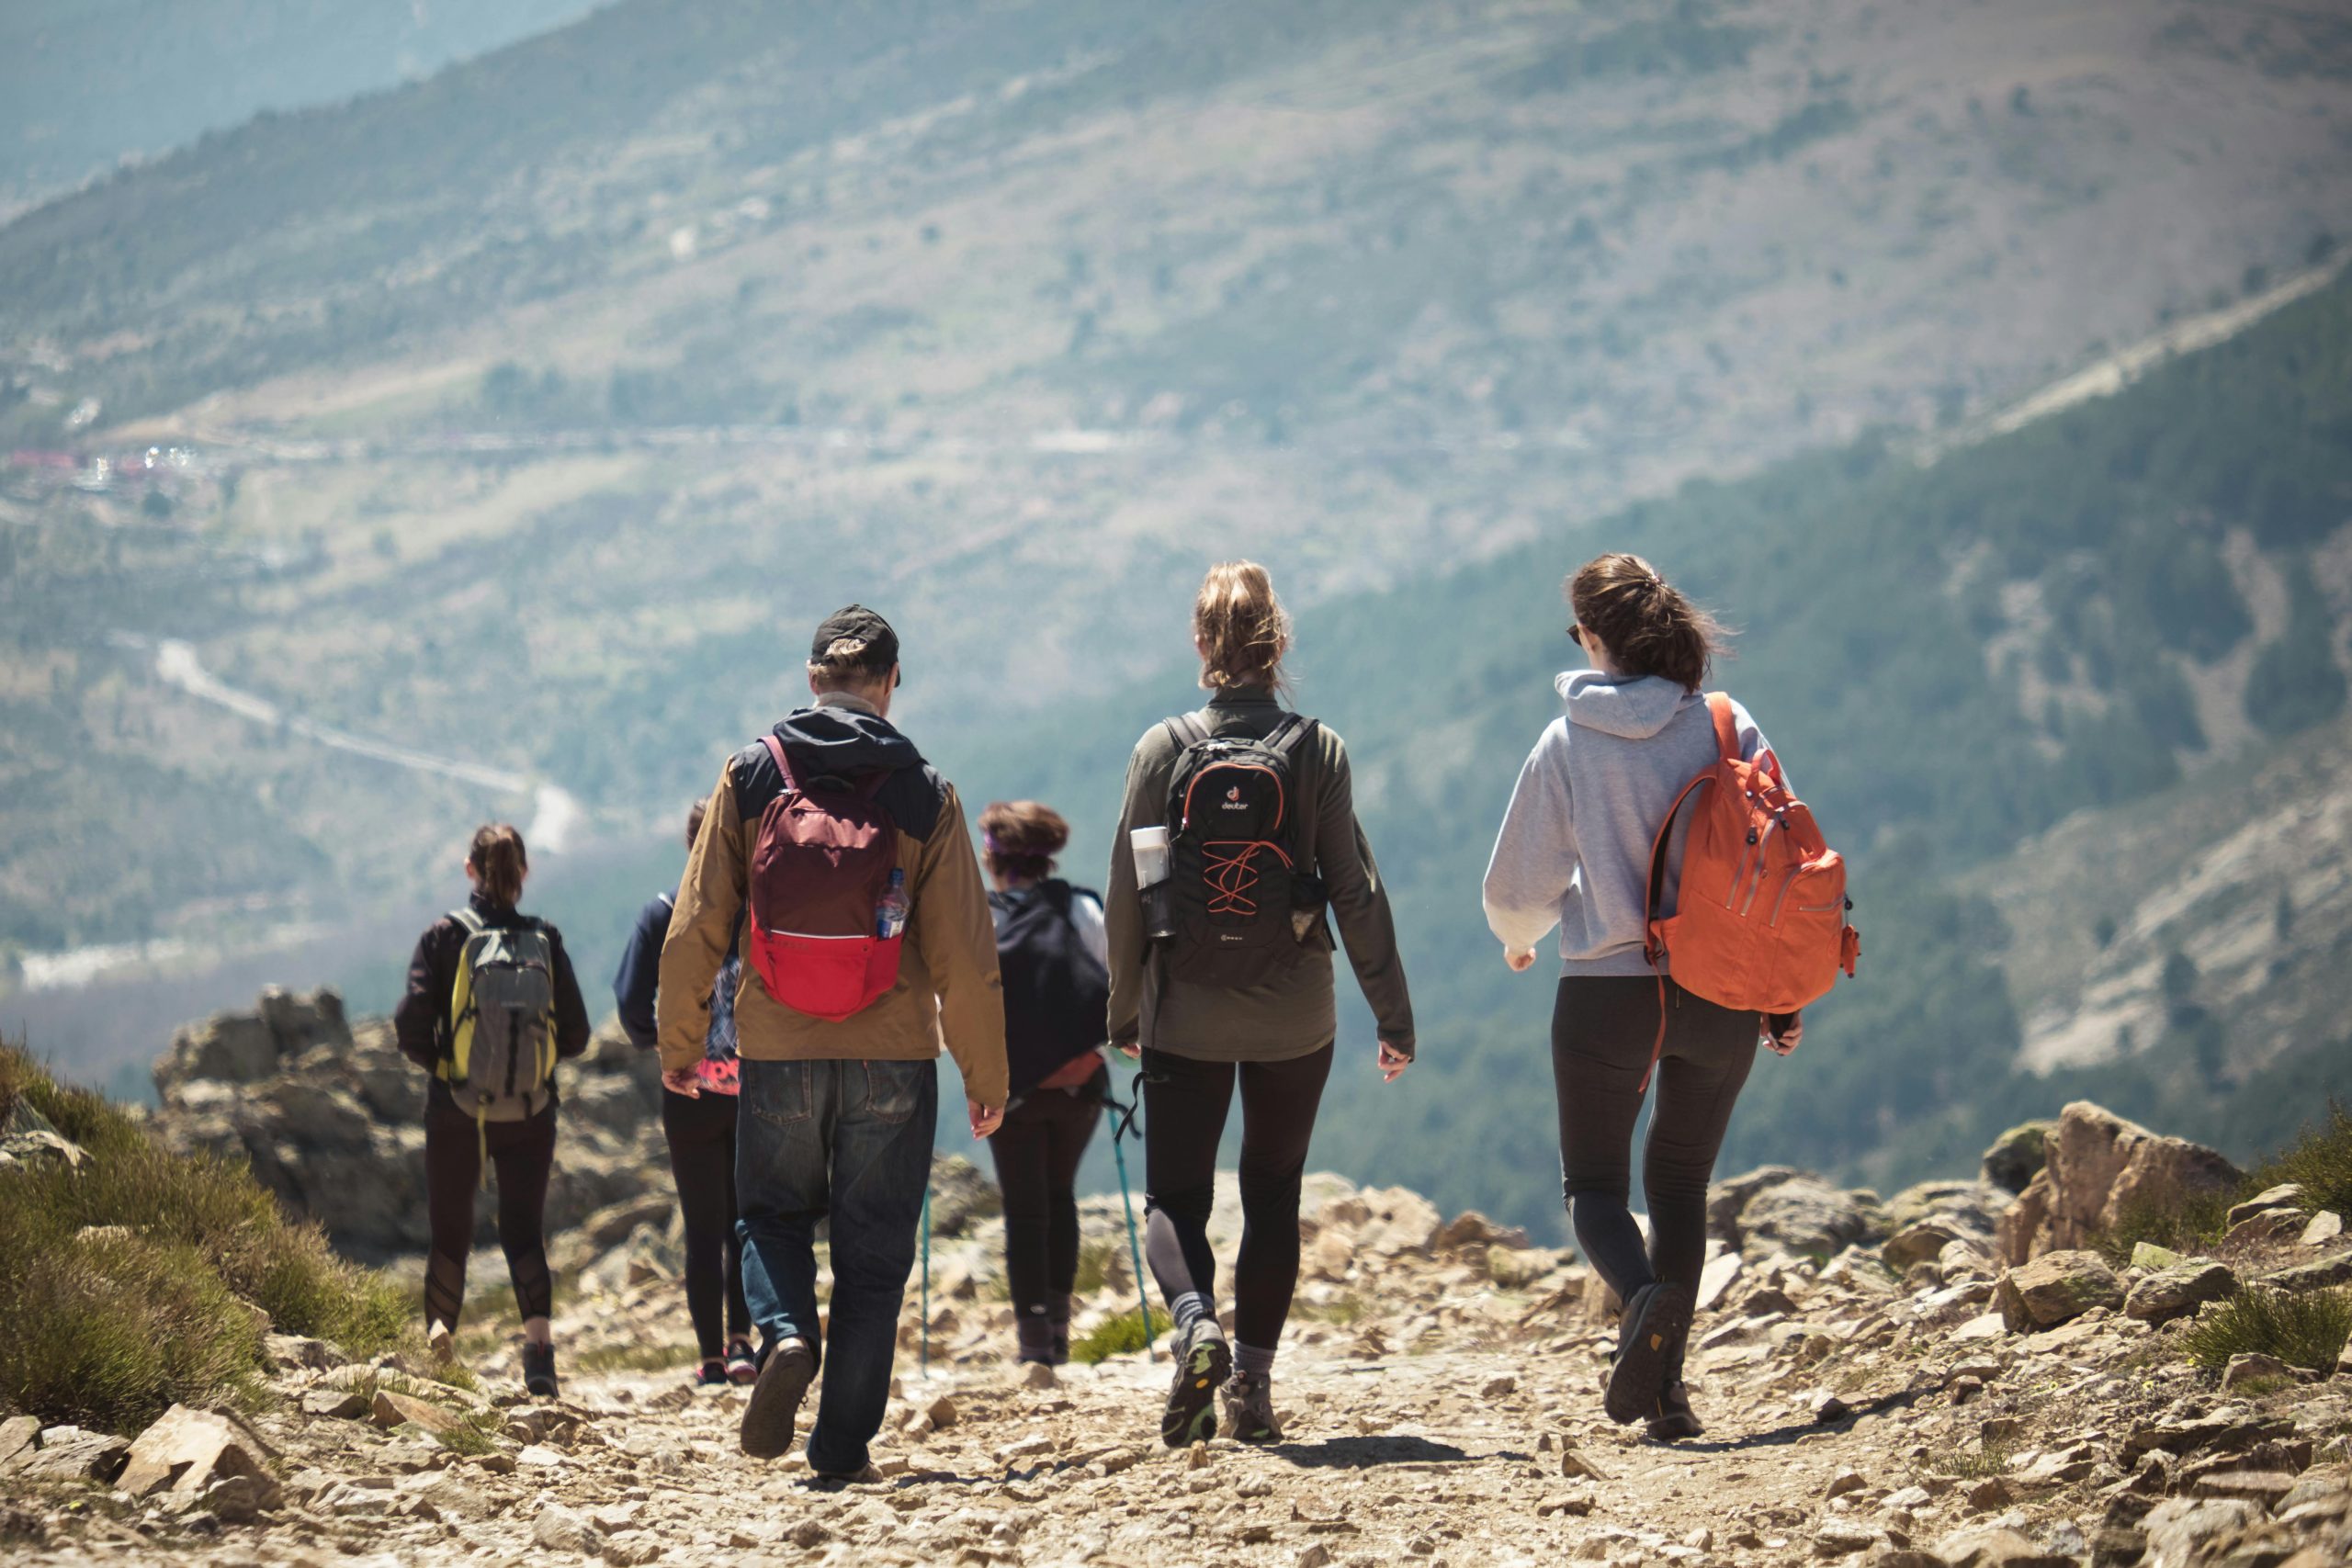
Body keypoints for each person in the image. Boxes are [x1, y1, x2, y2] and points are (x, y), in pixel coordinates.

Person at [658, 604, 1007, 1481]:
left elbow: (697, 923)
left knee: (769, 1214)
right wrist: (985, 1073)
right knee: (876, 1248)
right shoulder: (924, 792)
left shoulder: (748, 778)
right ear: (890, 683)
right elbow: (966, 953)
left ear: (813, 679)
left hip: (777, 1045)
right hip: (892, 1051)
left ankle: (782, 1333)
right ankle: (841, 1445)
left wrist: (680, 1042)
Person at [1480, 552, 1802, 1442]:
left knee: (1593, 1186)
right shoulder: (1730, 726)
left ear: (1591, 639)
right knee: (1682, 1186)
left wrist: (1520, 941)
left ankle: (1647, 1305)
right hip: (1721, 989)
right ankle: (1670, 1393)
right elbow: (1779, 866)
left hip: (1608, 992)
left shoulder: (1565, 742)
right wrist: (1778, 993)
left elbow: (1516, 890)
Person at [1104, 560, 1417, 1448]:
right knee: (1273, 1193)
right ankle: (1252, 1388)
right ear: (1277, 646)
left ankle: (1195, 1323)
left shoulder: (1161, 748)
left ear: (1202, 645)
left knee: (1175, 1196)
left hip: (1185, 1011)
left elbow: (1132, 890)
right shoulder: (1318, 750)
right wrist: (1392, 1013)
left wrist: (1124, 1009)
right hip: (1294, 1013)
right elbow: (1354, 890)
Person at [393, 823, 592, 1399]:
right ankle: (539, 1355)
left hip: (455, 1107)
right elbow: (576, 1035)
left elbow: (409, 1028)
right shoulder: (544, 939)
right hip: (530, 1110)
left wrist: (450, 1070)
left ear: (470, 870)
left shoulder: (444, 936)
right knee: (524, 1232)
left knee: (449, 1234)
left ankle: (440, 1338)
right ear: (524, 874)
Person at [614, 801, 755, 1389]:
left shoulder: (664, 913)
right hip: (759, 1091)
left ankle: (711, 1358)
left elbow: (629, 1001)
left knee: (702, 1226)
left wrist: (665, 1045)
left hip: (689, 1089)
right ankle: (746, 1340)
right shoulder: (760, 912)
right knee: (747, 1222)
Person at [979, 800, 1111, 1367]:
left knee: (1023, 1208)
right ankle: (1058, 1327)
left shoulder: (978, 917)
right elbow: (1115, 983)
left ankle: (1033, 1342)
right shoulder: (1081, 907)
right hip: (1081, 1086)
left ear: (994, 856)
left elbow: (955, 1003)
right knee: (1060, 1197)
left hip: (1009, 1088)